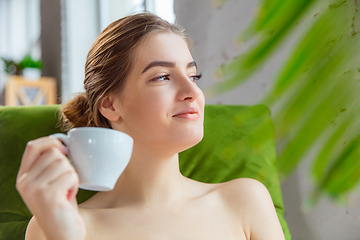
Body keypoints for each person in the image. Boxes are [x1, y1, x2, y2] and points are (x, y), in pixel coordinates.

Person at [16, 12, 285, 240]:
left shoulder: (245, 200)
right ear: (110, 105)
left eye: (193, 75)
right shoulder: (54, 224)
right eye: (163, 77)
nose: (192, 91)